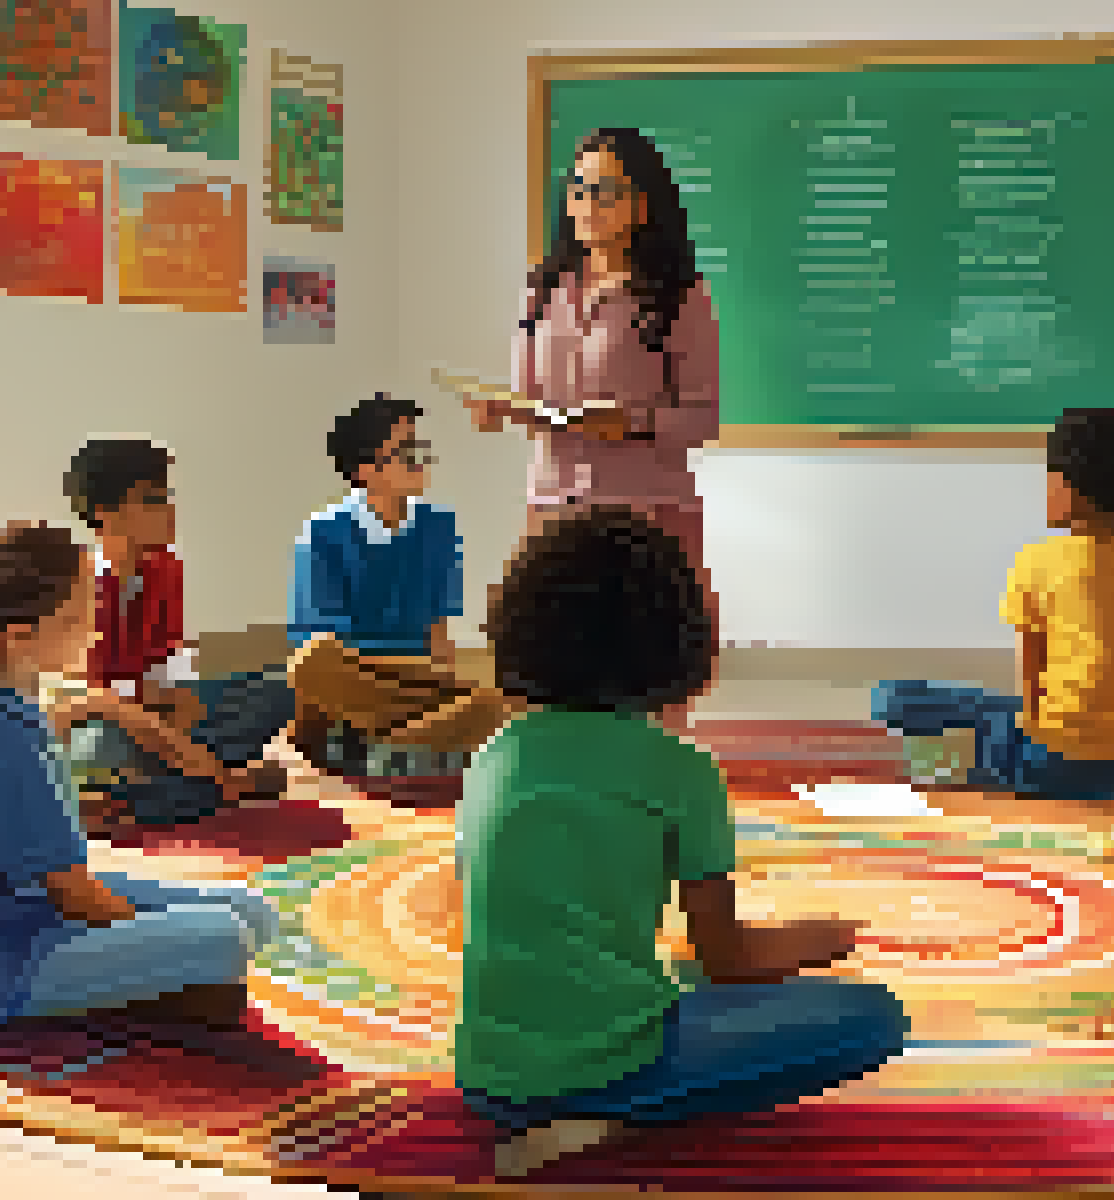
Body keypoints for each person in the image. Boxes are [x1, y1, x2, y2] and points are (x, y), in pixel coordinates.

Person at [457, 504, 908, 1179]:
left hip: (486, 1074)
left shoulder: (494, 753)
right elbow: (727, 957)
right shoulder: (680, 769)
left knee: (674, 979)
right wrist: (820, 939)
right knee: (873, 1018)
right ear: (674, 640)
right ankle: (611, 1119)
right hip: (604, 1066)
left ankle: (571, 1110)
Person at [0, 521, 280, 1043]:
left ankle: (149, 986)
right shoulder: (1, 732)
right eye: (81, 618)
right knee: (228, 935)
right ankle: (140, 998)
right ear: (20, 637)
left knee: (251, 910)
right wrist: (150, 941)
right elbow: (74, 895)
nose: (97, 630)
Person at [471, 126, 721, 734]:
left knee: (651, 668)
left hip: (647, 510)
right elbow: (532, 399)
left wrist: (633, 422)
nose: (586, 205)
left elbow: (702, 416)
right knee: (547, 662)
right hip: (556, 504)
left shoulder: (677, 297)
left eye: (604, 190)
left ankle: (654, 779)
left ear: (641, 204)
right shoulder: (540, 292)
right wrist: (501, 410)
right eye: (577, 189)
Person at [871, 408, 1114, 803]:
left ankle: (973, 763)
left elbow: (1031, 686)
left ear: (1067, 487)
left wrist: (1025, 729)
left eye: (1048, 477)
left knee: (895, 696)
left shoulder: (1036, 562)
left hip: (1050, 764)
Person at [52, 439, 291, 833]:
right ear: (104, 513)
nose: (170, 511)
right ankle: (208, 789)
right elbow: (88, 702)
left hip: (152, 716)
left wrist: (176, 703)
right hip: (108, 728)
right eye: (152, 499)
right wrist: (217, 770)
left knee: (276, 690)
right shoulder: (81, 585)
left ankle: (148, 797)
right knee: (100, 746)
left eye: (167, 496)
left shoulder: (166, 567)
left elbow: (171, 663)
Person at [288, 393, 513, 777]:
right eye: (406, 452)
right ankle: (413, 744)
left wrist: (437, 677)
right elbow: (323, 641)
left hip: (417, 679)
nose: (421, 461)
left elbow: (439, 637)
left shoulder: (440, 526)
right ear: (365, 470)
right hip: (356, 673)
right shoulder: (323, 532)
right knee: (310, 663)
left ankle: (381, 748)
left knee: (494, 702)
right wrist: (399, 676)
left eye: (421, 449)